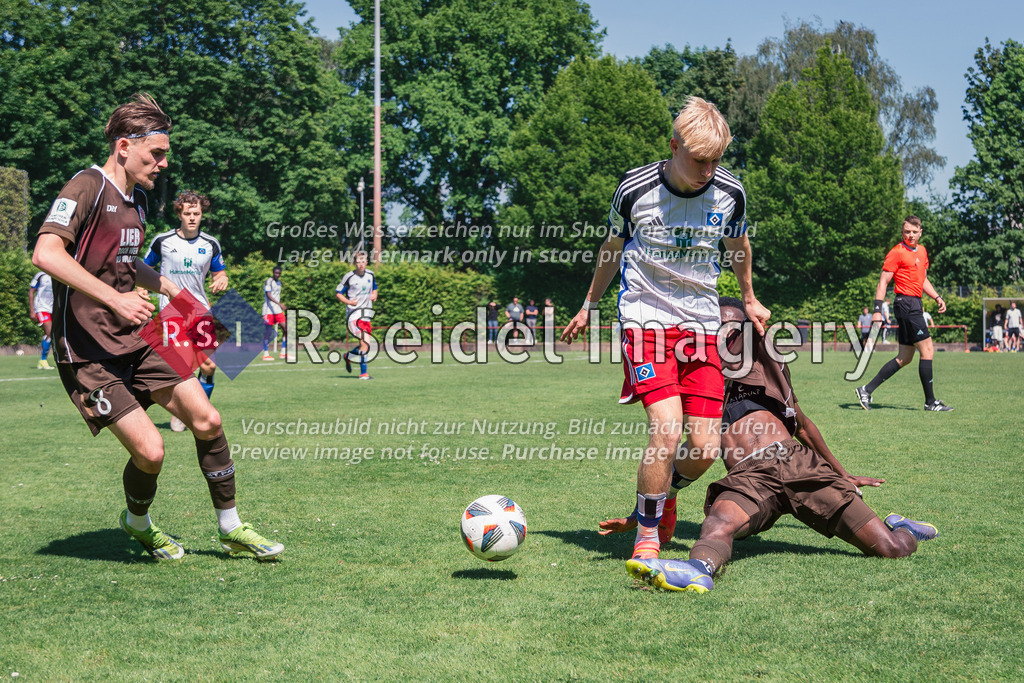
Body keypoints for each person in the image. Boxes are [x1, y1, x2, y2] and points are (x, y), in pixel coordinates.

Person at [31, 93, 282, 560]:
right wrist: (115, 299)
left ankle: (231, 527)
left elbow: (127, 265)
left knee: (207, 418)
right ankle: (138, 522)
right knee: (151, 452)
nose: (164, 163)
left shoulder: (138, 202)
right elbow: (46, 254)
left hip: (140, 336)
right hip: (87, 350)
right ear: (125, 146)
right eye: (157, 153)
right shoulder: (85, 186)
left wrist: (167, 290)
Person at [562, 96, 770, 560]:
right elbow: (612, 249)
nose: (708, 170)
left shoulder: (730, 193)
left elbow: (738, 245)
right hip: (645, 318)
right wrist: (589, 303)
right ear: (674, 145)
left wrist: (750, 298)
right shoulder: (634, 189)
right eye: (700, 160)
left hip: (701, 324)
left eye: (716, 160)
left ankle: (664, 495)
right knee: (667, 428)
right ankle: (647, 539)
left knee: (704, 446)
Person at [626, 298, 937, 592]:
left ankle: (904, 527)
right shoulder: (700, 389)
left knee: (890, 549)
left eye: (734, 328)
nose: (726, 335)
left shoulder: (761, 364)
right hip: (748, 478)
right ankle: (698, 569)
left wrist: (842, 473)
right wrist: (641, 515)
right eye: (717, 327)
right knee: (717, 522)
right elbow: (685, 457)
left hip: (795, 462)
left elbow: (804, 427)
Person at [138, 190, 227, 431]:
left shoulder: (211, 244)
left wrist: (222, 279)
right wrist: (141, 289)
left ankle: (199, 412)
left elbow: (220, 271)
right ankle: (186, 413)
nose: (192, 217)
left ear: (202, 215)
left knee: (208, 366)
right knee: (184, 367)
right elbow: (143, 268)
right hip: (172, 311)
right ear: (179, 213)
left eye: (196, 213)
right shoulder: (163, 241)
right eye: (187, 213)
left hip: (201, 310)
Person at [856, 216, 952, 412]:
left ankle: (866, 390)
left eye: (914, 232)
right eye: (907, 231)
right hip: (907, 304)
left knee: (905, 357)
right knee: (928, 351)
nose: (910, 235)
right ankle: (930, 402)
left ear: (920, 232)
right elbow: (883, 282)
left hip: (914, 303)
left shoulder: (922, 251)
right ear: (902, 233)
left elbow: (922, 279)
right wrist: (877, 311)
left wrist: (937, 297)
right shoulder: (896, 252)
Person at [335, 251, 377, 380]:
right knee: (366, 343)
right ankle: (363, 373)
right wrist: (349, 302)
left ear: (366, 262)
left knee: (365, 345)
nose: (360, 264)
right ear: (354, 263)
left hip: (366, 315)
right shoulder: (349, 277)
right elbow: (338, 293)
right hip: (354, 316)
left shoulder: (371, 274)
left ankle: (348, 357)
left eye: (363, 261)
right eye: (358, 262)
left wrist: (375, 294)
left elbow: (374, 287)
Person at [28, 270, 55, 369]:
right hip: (41, 308)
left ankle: (43, 360)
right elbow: (31, 292)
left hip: (53, 308)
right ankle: (43, 360)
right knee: (49, 332)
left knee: (50, 334)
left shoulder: (57, 274)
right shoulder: (41, 275)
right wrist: (32, 310)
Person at [262, 266, 286, 361]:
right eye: (276, 273)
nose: (277, 275)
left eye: (279, 273)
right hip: (268, 310)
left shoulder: (279, 283)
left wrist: (278, 306)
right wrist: (280, 304)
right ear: (273, 272)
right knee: (268, 332)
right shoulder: (269, 281)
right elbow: (268, 295)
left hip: (277, 310)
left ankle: (283, 352)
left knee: (286, 328)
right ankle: (266, 354)